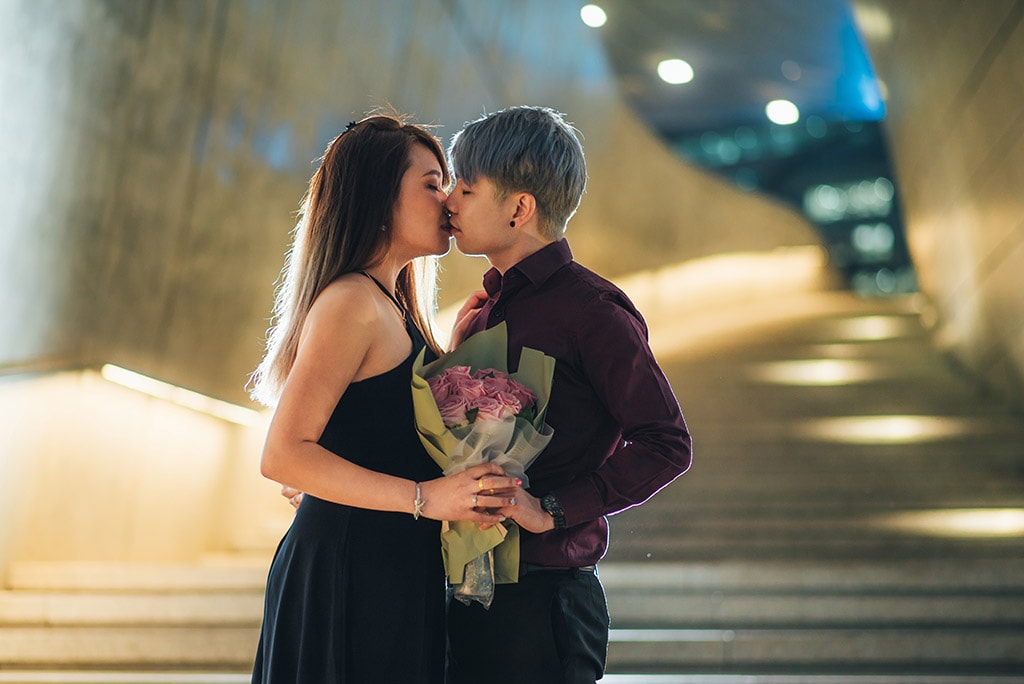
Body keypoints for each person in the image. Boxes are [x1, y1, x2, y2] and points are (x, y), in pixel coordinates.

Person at [248, 113, 519, 684]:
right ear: (377, 196)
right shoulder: (352, 303)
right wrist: (426, 498)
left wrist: (453, 359)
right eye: (430, 183)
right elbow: (283, 456)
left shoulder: (392, 307)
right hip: (349, 570)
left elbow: (378, 429)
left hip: (388, 562)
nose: (448, 199)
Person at [443, 106, 692, 684]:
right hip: (468, 584)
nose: (449, 201)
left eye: (465, 186)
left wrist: (551, 510)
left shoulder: (592, 311)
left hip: (544, 601)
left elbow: (667, 442)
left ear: (519, 208)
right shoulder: (480, 312)